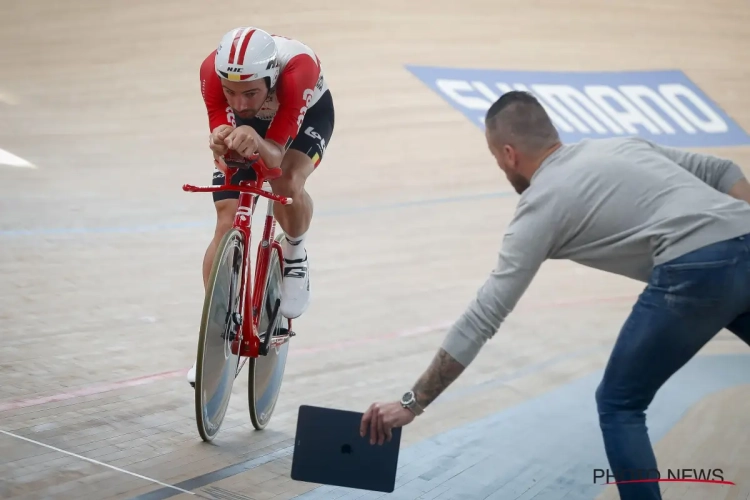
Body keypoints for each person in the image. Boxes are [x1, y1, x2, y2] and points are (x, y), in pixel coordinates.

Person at [360, 90, 750, 500]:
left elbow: (483, 316)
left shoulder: (541, 205)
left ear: (509, 154)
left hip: (693, 271)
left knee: (619, 404)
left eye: (495, 158)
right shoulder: (620, 145)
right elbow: (723, 170)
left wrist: (413, 401)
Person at [187, 27, 334, 386]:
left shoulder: (298, 71)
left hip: (304, 120)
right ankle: (216, 329)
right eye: (230, 93)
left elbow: (275, 158)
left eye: (249, 92)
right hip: (252, 126)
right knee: (226, 218)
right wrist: (221, 142)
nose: (238, 103)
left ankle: (295, 252)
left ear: (269, 78)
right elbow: (223, 127)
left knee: (285, 180)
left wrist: (257, 139)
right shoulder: (211, 70)